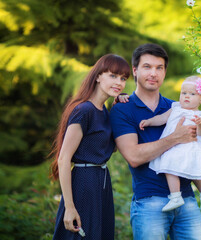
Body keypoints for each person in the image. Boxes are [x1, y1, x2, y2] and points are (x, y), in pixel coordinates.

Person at [110, 43, 201, 240]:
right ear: (135, 71)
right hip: (149, 203)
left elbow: (196, 144)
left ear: (164, 73)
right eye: (147, 67)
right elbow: (134, 157)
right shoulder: (123, 109)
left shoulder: (177, 106)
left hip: (186, 200)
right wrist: (175, 138)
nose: (153, 73)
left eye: (159, 68)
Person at [49, 54, 130, 240]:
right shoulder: (84, 111)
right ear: (98, 76)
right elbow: (63, 159)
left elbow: (110, 147)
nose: (119, 82)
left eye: (123, 78)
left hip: (102, 182)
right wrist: (70, 208)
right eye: (113, 76)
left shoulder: (105, 112)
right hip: (84, 183)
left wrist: (120, 108)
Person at [139, 76, 201, 212]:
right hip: (176, 144)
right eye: (183, 93)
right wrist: (149, 121)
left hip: (190, 146)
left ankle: (181, 196)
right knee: (179, 168)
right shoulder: (175, 108)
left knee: (172, 165)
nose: (186, 96)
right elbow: (162, 118)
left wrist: (200, 124)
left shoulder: (199, 115)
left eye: (192, 94)